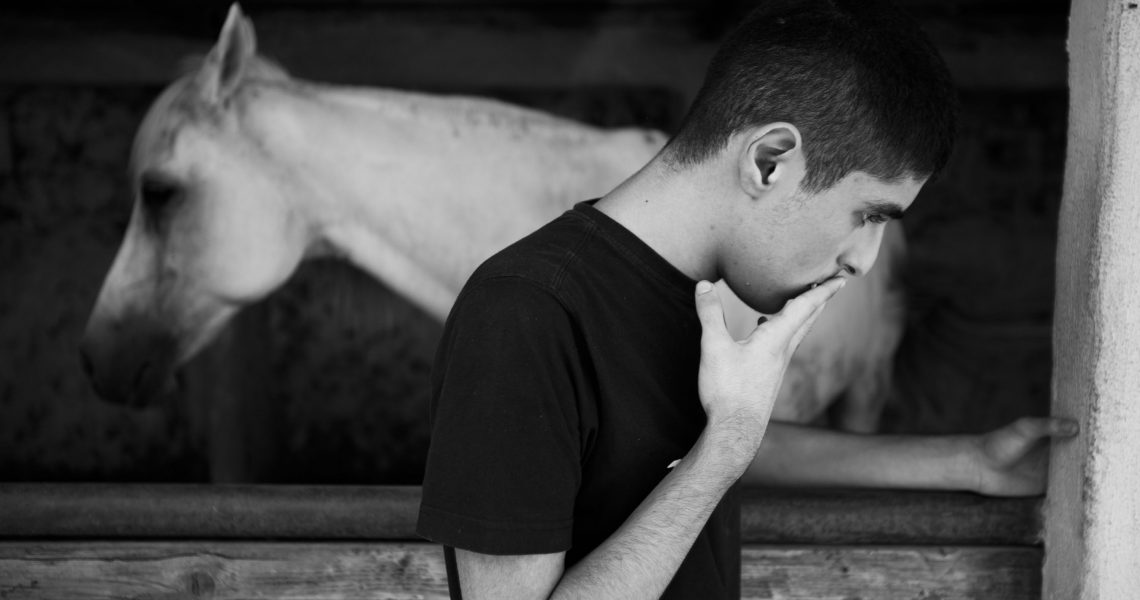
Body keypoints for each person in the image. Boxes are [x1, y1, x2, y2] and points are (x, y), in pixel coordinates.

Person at [415, 1, 1077, 598]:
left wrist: (969, 463)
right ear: (769, 161)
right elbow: (720, 443)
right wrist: (723, 449)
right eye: (868, 215)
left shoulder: (689, 291)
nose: (863, 259)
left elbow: (682, 440)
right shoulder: (524, 314)